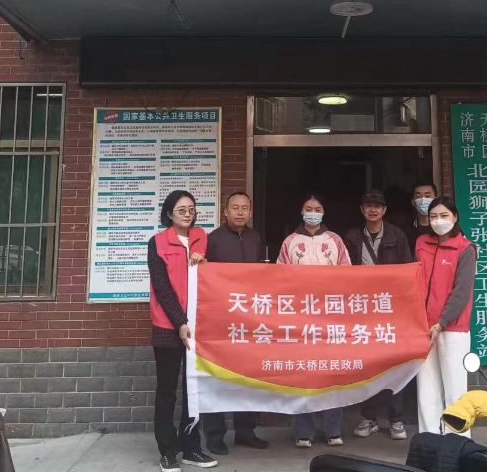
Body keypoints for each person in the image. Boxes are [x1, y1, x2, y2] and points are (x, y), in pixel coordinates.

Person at [147, 190, 218, 472]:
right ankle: (168, 451)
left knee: (193, 389)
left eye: (191, 209)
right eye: (181, 210)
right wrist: (180, 322)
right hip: (168, 326)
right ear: (169, 214)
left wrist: (205, 264)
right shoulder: (157, 242)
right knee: (167, 391)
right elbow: (162, 287)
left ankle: (191, 447)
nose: (188, 214)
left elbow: (213, 278)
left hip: (198, 325)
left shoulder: (202, 237)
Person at [277, 195, 350, 448]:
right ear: (301, 211)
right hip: (300, 315)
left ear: (324, 212)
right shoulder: (290, 242)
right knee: (303, 373)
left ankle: (333, 430)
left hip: (330, 315)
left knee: (332, 373)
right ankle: (303, 432)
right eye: (308, 208)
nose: (313, 212)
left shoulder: (335, 240)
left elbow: (349, 276)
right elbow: (279, 277)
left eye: (317, 209)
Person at [202, 191, 269, 455]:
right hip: (221, 319)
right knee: (217, 378)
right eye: (235, 208)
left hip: (249, 318)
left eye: (245, 208)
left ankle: (245, 431)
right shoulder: (212, 240)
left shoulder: (255, 238)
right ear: (225, 212)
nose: (240, 212)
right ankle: (215, 435)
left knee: (247, 377)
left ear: (250, 212)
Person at [345, 190, 413, 441]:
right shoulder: (352, 237)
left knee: (396, 365)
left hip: (391, 308)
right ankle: (369, 417)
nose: (373, 210)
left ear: (384, 210)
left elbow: (408, 271)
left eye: (377, 206)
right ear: (362, 210)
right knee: (368, 366)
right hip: (362, 309)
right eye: (368, 206)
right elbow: (343, 272)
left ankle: (396, 420)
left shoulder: (397, 235)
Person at [415, 196, 477, 435]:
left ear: (455, 217)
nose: (438, 221)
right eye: (433, 216)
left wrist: (441, 323)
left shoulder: (465, 248)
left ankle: (457, 441)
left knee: (455, 390)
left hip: (452, 329)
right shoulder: (422, 243)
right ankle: (429, 438)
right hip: (423, 327)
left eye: (444, 215)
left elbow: (461, 292)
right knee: (426, 388)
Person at [410, 183, 437, 251]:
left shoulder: (446, 226)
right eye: (418, 196)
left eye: (427, 196)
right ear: (413, 202)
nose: (423, 200)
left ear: (436, 200)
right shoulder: (405, 230)